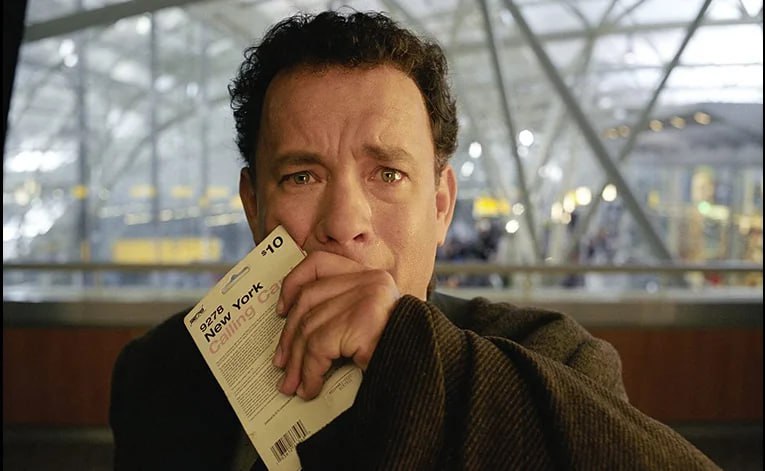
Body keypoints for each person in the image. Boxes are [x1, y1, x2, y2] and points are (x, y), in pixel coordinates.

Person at [109, 10, 719, 470]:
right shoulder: (164, 374)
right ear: (253, 207)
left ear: (441, 205)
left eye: (388, 174)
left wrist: (410, 351)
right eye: (302, 176)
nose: (345, 222)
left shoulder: (551, 358)